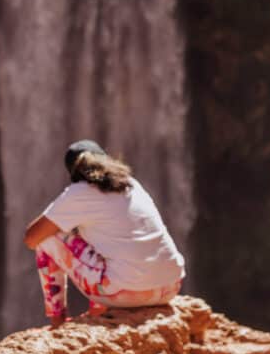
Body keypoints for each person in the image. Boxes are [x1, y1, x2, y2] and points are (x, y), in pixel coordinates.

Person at [24, 140, 185, 327]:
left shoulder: (79, 192)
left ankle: (58, 320)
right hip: (170, 287)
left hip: (127, 293)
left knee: (47, 238)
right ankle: (99, 310)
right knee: (103, 238)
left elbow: (32, 238)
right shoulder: (132, 185)